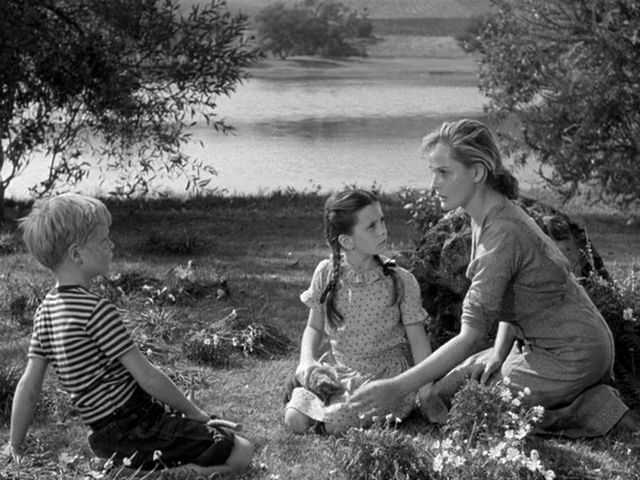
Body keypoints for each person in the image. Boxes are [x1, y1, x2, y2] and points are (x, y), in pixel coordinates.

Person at [349, 118, 640, 438]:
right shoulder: (489, 215)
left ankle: (598, 408)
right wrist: (499, 354)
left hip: (573, 354)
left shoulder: (500, 236)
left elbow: (471, 336)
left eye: (443, 172)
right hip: (545, 344)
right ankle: (567, 394)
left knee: (473, 404)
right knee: (442, 393)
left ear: (476, 172)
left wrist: (394, 387)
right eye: (433, 172)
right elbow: (511, 297)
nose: (433, 184)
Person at [4, 193, 254, 475]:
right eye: (103, 240)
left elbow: (29, 386)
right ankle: (169, 474)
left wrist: (15, 445)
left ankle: (129, 464)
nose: (111, 245)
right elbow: (146, 375)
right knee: (242, 450)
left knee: (200, 437)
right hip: (137, 426)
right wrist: (194, 413)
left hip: (103, 436)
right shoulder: (95, 310)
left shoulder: (45, 312)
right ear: (76, 254)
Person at [283, 189, 433, 434]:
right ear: (346, 241)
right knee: (293, 418)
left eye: (382, 221)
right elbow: (314, 326)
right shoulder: (326, 272)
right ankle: (325, 406)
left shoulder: (400, 280)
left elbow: (417, 339)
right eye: (372, 226)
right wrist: (307, 361)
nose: (383, 229)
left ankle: (329, 415)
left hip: (382, 379)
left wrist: (426, 388)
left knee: (334, 421)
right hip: (337, 371)